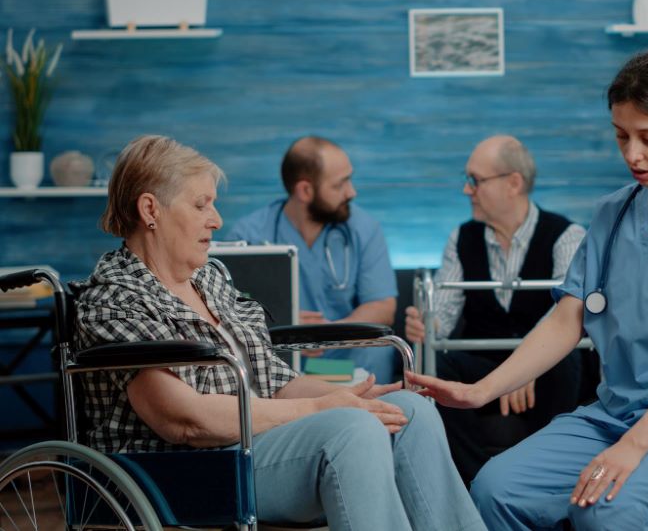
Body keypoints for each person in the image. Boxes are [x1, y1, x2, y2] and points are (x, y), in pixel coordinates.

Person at [407, 49, 648, 530]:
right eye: (621, 136)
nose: (632, 154)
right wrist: (480, 391)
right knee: (495, 489)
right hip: (617, 415)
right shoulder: (614, 214)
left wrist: (633, 447)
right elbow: (566, 321)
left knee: (605, 505)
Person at [74, 135, 485, 531]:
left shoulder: (210, 278)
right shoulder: (116, 298)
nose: (216, 220)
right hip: (186, 469)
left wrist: (349, 397)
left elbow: (274, 381)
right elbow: (183, 421)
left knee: (411, 412)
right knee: (353, 431)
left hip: (254, 443)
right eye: (201, 205)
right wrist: (321, 409)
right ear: (150, 209)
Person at [403, 135, 587, 485]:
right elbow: (442, 318)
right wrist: (427, 325)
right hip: (482, 367)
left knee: (566, 360)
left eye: (475, 180)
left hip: (546, 370)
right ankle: (477, 484)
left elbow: (566, 312)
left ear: (513, 183)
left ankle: (543, 479)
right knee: (436, 366)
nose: (466, 190)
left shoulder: (568, 236)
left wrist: (526, 365)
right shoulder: (461, 238)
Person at [226, 136, 399, 383]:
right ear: (305, 191)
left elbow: (382, 306)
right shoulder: (248, 236)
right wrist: (283, 326)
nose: (352, 192)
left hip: (346, 358)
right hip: (279, 360)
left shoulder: (363, 229)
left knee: (376, 355)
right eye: (340, 185)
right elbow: (227, 311)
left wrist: (330, 334)